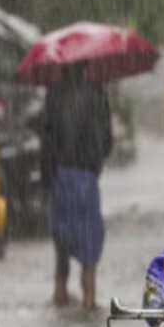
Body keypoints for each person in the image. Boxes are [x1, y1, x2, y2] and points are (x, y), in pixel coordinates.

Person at [42, 62, 112, 310]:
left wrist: (47, 177)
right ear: (85, 67)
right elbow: (107, 139)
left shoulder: (53, 95)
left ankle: (60, 292)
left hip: (62, 175)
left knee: (62, 238)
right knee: (89, 239)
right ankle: (89, 299)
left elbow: (46, 142)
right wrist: (95, 161)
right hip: (87, 176)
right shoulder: (97, 93)